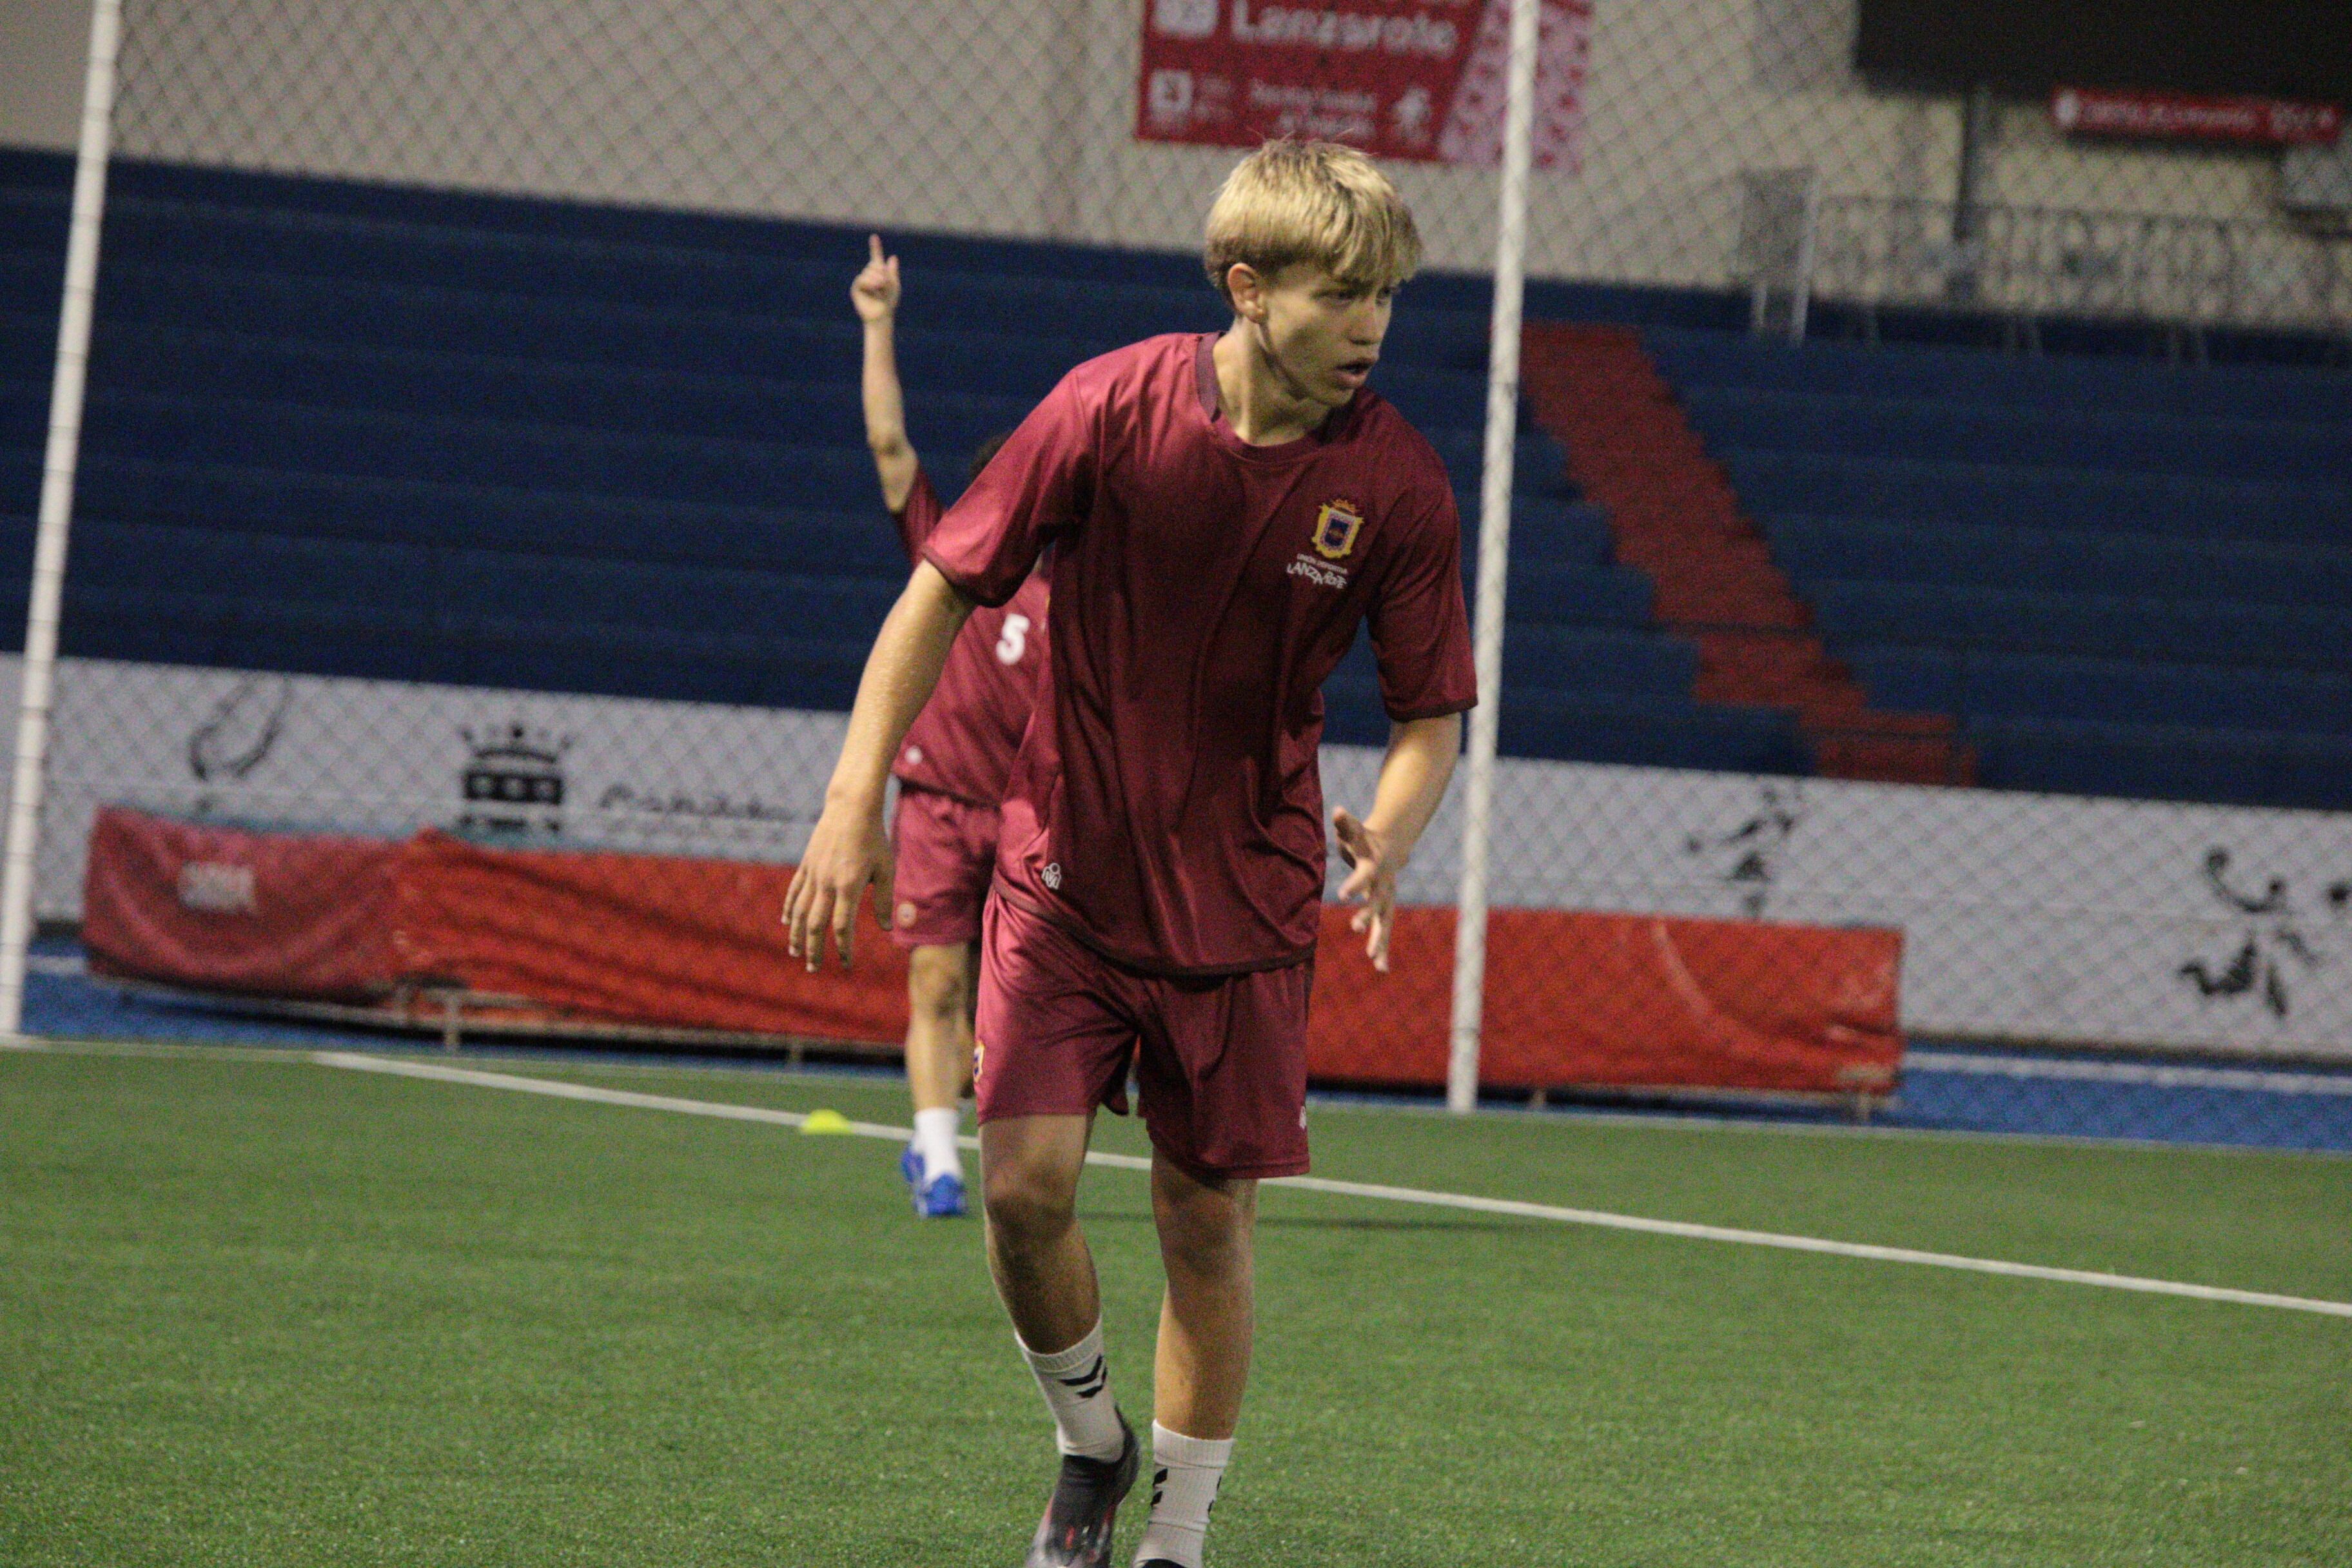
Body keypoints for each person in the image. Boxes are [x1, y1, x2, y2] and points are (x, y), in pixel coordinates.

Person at [788, 142, 1473, 1568]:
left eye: (1387, 297)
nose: (1372, 325)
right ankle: (1090, 1444)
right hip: (1065, 879)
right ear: (1247, 287)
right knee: (1025, 1190)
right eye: (1344, 292)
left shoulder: (1398, 486)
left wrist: (1392, 832)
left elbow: (1431, 718)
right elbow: (936, 589)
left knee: (1202, 1228)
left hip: (1249, 904)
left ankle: (1180, 1537)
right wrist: (856, 795)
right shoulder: (1110, 406)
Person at [850, 233, 1050, 1219]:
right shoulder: (946, 555)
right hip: (934, 806)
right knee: (934, 980)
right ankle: (936, 1159)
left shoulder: (1084, 599)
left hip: (1030, 821)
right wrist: (879, 324)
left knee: (1012, 1009)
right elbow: (891, 446)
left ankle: (1002, 1144)